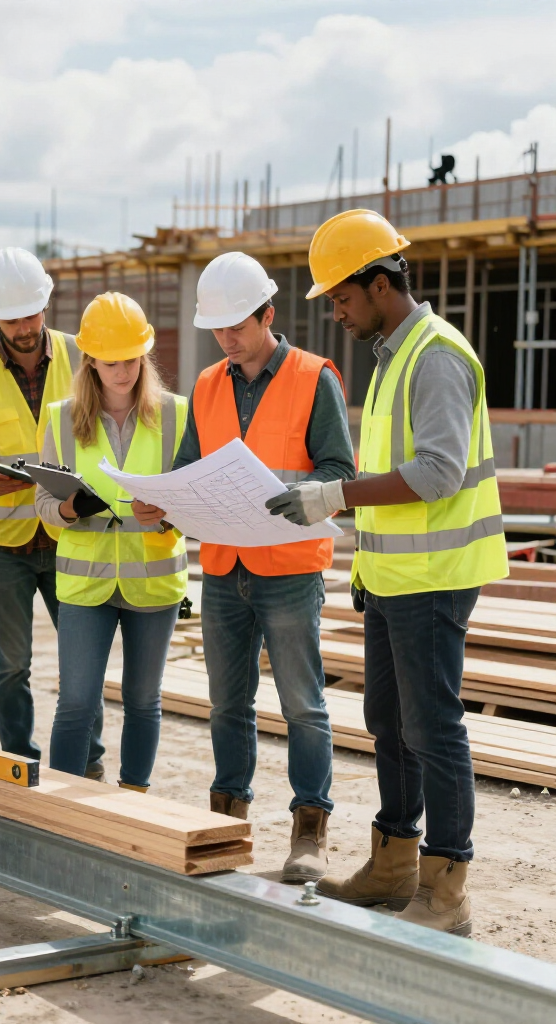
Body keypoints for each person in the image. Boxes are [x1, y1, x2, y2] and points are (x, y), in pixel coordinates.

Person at [266, 209, 508, 935]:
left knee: (432, 726)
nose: (336, 312)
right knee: (389, 722)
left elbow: (436, 473)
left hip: (435, 577)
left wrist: (333, 496)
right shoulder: (393, 356)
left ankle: (447, 886)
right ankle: (395, 861)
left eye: (341, 297)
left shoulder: (435, 356)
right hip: (395, 576)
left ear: (379, 284)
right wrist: (365, 563)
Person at [136, 252, 354, 883]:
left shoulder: (315, 378)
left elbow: (340, 472)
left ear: (268, 315)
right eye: (217, 329)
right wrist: (165, 502)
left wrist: (288, 495)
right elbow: (190, 468)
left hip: (289, 568)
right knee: (227, 703)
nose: (226, 338)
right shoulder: (207, 385)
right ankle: (226, 821)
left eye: (236, 326)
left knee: (302, 704)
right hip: (224, 567)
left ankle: (309, 829)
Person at [0, 247, 104, 774]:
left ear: (46, 304)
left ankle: (88, 765)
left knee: (82, 663)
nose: (25, 328)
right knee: (11, 665)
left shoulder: (84, 356)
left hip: (73, 534)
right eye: (12, 319)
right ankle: (21, 765)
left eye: (32, 314)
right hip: (3, 543)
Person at [36, 292, 188, 790]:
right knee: (76, 701)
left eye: (131, 360)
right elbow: (42, 502)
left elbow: (196, 503)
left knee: (143, 700)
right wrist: (67, 509)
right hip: (86, 586)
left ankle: (134, 797)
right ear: (90, 362)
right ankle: (61, 806)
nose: (123, 372)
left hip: (154, 582)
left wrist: (166, 515)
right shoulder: (61, 418)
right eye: (111, 363)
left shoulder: (177, 415)